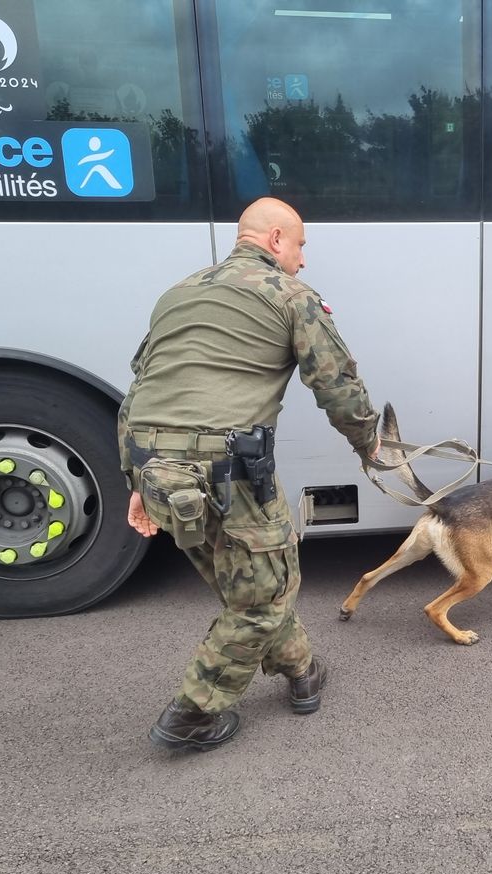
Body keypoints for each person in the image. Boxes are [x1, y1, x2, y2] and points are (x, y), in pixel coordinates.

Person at [118, 197, 379, 752]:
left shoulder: (178, 294)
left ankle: (302, 670)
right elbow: (338, 387)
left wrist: (135, 483)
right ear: (277, 238)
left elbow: (138, 393)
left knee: (250, 586)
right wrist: (369, 446)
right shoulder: (291, 296)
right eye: (302, 245)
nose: (304, 260)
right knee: (262, 599)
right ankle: (193, 714)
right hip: (226, 470)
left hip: (155, 465)